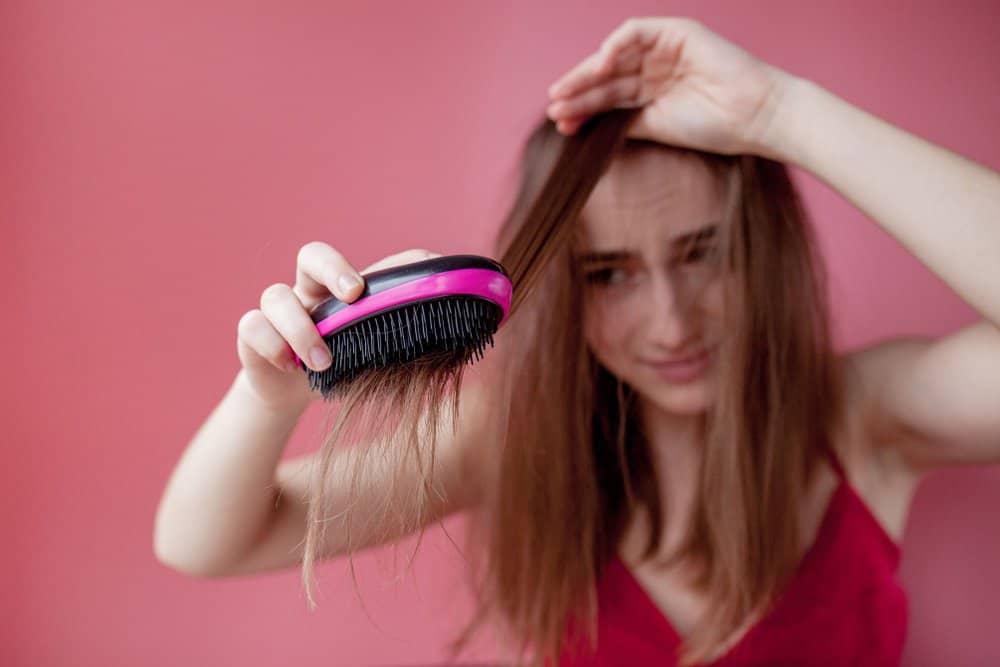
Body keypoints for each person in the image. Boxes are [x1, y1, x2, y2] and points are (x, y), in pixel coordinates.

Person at [154, 16, 1000, 667]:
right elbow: (202, 541)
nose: (671, 321)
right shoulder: (512, 440)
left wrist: (780, 113)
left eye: (704, 255)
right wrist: (271, 394)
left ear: (762, 250)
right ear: (561, 291)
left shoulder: (863, 419)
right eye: (610, 274)